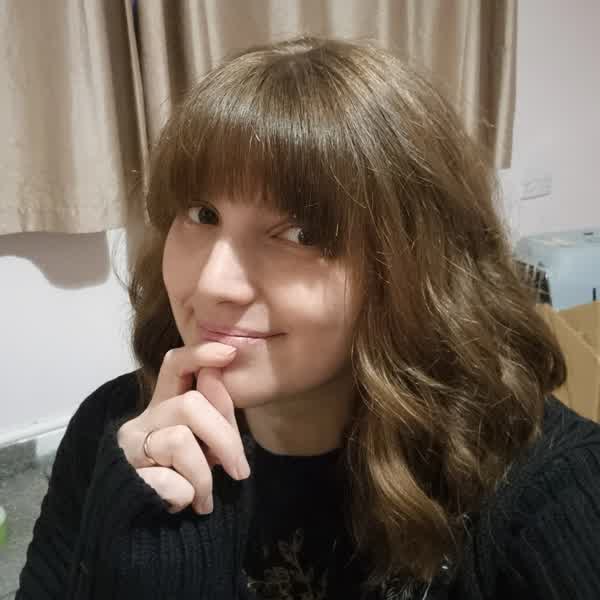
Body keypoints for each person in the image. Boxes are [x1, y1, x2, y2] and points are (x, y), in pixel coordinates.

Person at [16, 36, 600, 600]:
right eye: (202, 213)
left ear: (418, 266)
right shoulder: (118, 433)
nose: (212, 284)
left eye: (302, 233)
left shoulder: (550, 492)